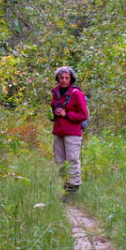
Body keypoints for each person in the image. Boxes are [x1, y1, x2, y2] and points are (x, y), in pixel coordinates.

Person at [50, 66, 89, 198]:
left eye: (67, 78)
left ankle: (72, 190)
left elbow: (83, 115)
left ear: (71, 79)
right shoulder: (56, 93)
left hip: (72, 132)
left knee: (72, 160)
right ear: (58, 79)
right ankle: (64, 188)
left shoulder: (77, 94)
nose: (64, 80)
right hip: (58, 131)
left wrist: (66, 114)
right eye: (61, 77)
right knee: (59, 161)